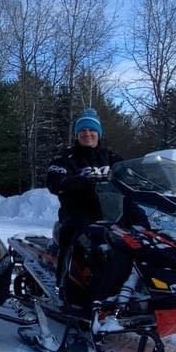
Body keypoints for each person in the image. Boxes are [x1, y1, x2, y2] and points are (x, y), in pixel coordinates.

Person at [46, 108, 123, 289]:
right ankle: (64, 285)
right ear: (77, 134)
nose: (87, 134)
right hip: (77, 211)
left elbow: (129, 175)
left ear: (99, 133)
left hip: (112, 213)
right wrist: (75, 182)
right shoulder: (66, 157)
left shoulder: (111, 157)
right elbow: (54, 180)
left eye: (91, 130)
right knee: (72, 236)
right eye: (82, 130)